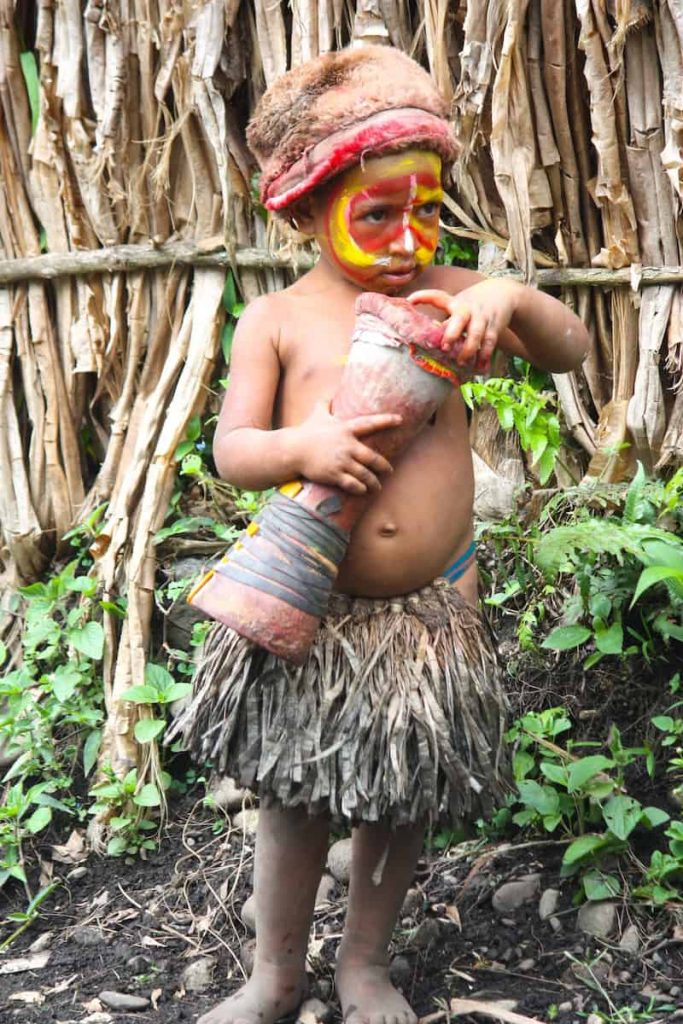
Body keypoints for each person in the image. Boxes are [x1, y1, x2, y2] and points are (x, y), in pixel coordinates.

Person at [179, 45, 589, 1024]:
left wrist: (511, 300)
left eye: (426, 209)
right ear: (304, 210)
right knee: (294, 797)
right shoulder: (276, 322)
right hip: (318, 613)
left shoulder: (448, 297)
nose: (407, 238)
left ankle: (364, 965)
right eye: (375, 213)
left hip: (430, 609)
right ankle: (274, 974)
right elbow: (232, 451)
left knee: (400, 798)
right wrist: (305, 445)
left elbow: (567, 347)